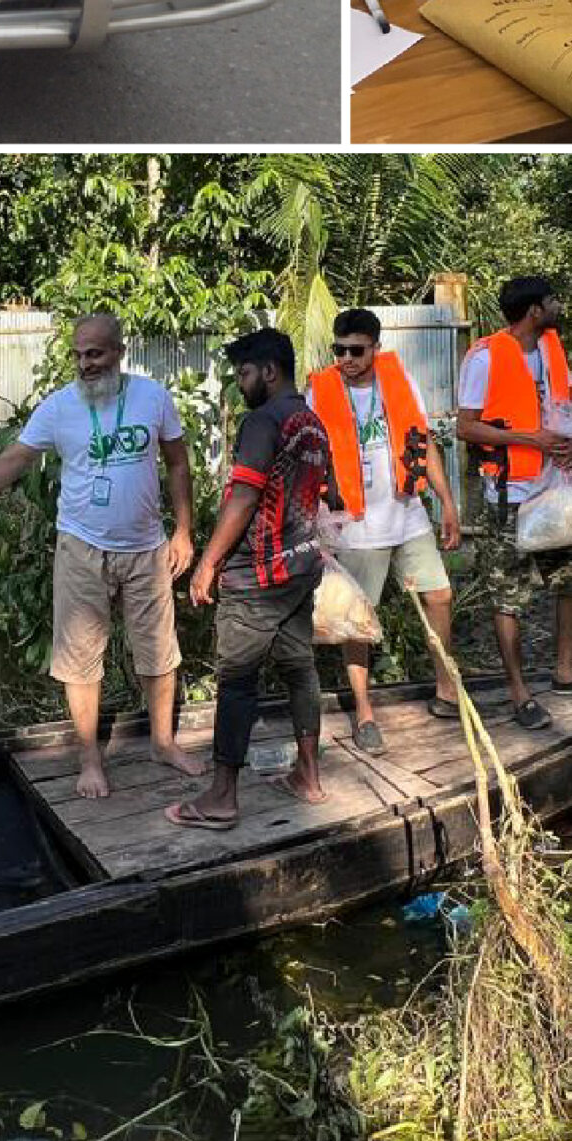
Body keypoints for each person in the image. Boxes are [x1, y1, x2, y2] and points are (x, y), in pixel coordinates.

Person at [0, 314, 203, 800]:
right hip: (81, 546)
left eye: (96, 353)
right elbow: (16, 458)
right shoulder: (59, 408)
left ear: (119, 352)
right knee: (81, 656)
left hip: (146, 546)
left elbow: (178, 462)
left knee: (159, 649)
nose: (86, 364)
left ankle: (163, 742)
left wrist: (184, 531)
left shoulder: (152, 398)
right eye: (79, 354)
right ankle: (89, 759)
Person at [168, 328, 332, 831]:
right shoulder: (312, 421)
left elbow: (242, 498)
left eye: (243, 373)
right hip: (301, 566)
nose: (240, 383)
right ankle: (308, 774)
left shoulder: (264, 421)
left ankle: (221, 797)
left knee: (237, 678)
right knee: (299, 667)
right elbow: (332, 492)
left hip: (258, 574)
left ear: (268, 370)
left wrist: (208, 562)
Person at [308, 308, 464, 747]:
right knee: (355, 620)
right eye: (339, 350)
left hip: (407, 515)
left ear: (376, 348)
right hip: (356, 526)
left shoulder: (399, 381)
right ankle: (364, 712)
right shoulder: (319, 392)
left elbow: (423, 441)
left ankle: (446, 689)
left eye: (356, 350)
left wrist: (447, 501)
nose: (347, 358)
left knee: (439, 595)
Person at [456, 275, 572, 725]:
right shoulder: (485, 358)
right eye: (553, 299)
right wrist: (527, 437)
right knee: (509, 594)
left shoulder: (553, 349)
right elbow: (467, 427)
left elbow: (566, 408)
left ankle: (566, 672)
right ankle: (518, 693)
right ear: (535, 310)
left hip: (555, 488)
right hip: (509, 494)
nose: (558, 305)